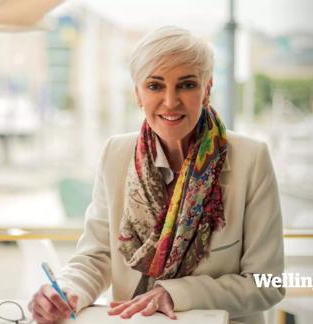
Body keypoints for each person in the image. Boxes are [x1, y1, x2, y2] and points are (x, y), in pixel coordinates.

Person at [28, 26, 285, 324]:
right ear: (138, 93)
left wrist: (175, 293)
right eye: (155, 86)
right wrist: (66, 291)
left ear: (207, 90)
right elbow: (97, 256)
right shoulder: (116, 153)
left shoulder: (251, 159)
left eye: (187, 85)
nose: (171, 101)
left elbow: (267, 283)